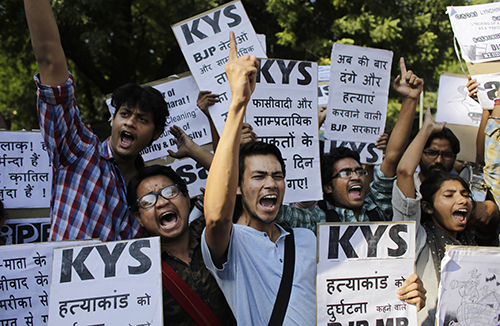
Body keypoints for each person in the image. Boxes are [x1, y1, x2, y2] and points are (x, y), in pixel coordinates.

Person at [201, 31, 425, 325]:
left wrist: (403, 295)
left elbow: (354, 298)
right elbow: (216, 216)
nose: (270, 183)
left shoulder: (307, 238)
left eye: (277, 176)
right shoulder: (232, 243)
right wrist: (237, 104)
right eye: (258, 176)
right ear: (238, 189)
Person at [25, 0, 170, 241]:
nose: (130, 123)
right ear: (111, 120)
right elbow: (49, 58)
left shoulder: (154, 192)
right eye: (124, 114)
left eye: (142, 119)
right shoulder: (78, 151)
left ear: (156, 133)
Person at [393, 110, 476, 326]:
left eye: (465, 195)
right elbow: (403, 171)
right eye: (449, 195)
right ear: (427, 207)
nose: (462, 200)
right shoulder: (417, 238)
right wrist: (426, 128)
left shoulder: (473, 243)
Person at [127, 165, 235, 325]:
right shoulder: (139, 270)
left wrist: (192, 150)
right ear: (139, 218)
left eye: (170, 192)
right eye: (148, 201)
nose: (162, 202)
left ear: (186, 197)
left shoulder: (216, 232)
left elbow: (235, 184)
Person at [320, 58, 423, 222]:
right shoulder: (316, 218)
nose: (356, 177)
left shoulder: (377, 209)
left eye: (359, 171)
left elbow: (392, 158)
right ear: (327, 187)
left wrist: (410, 99)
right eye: (346, 173)